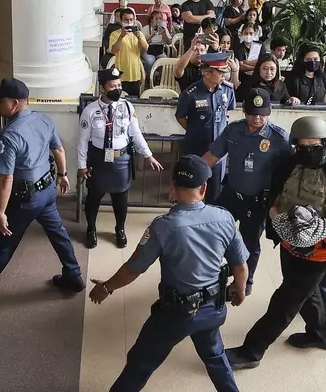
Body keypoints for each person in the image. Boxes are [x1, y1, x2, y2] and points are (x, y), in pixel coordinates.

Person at [89, 154, 250, 392]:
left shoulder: (163, 226)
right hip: (213, 310)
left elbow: (133, 269)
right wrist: (240, 289)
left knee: (140, 362)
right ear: (204, 187)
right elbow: (241, 266)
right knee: (215, 358)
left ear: (172, 186)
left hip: (176, 315)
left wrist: (106, 287)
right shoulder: (224, 218)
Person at [225, 116, 326, 369]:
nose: (308, 152)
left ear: (325, 143)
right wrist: (281, 222)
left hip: (319, 252)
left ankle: (252, 350)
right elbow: (274, 202)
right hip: (289, 245)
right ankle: (322, 335)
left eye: (314, 147)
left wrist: (319, 228)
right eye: (302, 147)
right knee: (307, 294)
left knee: (285, 301)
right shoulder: (288, 166)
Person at [0, 78, 85, 297]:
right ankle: (73, 274)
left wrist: (1, 212)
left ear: (13, 103)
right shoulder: (44, 120)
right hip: (47, 191)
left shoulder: (9, 135)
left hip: (25, 199)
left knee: (5, 243)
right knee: (59, 233)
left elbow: (6, 179)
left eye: (1, 101)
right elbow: (59, 150)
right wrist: (63, 175)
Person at [202, 88, 291, 297]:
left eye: (262, 112)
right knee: (214, 231)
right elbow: (210, 158)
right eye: (253, 112)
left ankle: (245, 281)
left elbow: (289, 173)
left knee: (250, 242)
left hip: (258, 201)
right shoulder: (233, 131)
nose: (258, 117)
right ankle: (211, 273)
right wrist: (190, 179)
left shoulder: (279, 138)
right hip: (231, 195)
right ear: (244, 111)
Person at [78, 67, 164, 249]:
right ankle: (91, 229)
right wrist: (81, 165)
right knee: (94, 197)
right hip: (98, 160)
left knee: (120, 197)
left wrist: (148, 155)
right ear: (102, 88)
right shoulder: (91, 111)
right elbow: (83, 141)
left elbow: (135, 133)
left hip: (121, 160)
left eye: (119, 85)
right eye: (112, 86)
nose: (117, 89)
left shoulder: (127, 107)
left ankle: (120, 229)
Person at [174, 52, 237, 204]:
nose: (224, 75)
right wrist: (194, 130)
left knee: (214, 191)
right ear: (207, 73)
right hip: (196, 148)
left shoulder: (227, 90)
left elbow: (228, 110)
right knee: (192, 191)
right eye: (220, 72)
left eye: (224, 72)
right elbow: (180, 116)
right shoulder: (191, 93)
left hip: (218, 151)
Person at [109, 9, 149, 97]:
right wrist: (121, 36)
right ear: (121, 20)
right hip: (121, 74)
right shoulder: (115, 34)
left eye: (131, 19)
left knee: (134, 101)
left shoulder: (139, 34)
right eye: (126, 20)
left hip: (135, 74)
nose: (129, 22)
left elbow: (145, 48)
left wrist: (140, 38)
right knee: (120, 100)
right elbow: (114, 50)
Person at [235, 23, 266, 101]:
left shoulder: (260, 45)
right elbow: (241, 66)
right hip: (244, 80)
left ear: (254, 34)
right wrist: (257, 66)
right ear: (242, 33)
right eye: (246, 33)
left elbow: (262, 61)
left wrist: (246, 62)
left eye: (251, 33)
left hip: (257, 79)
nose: (248, 35)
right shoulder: (239, 47)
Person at [142, 10, 172, 76]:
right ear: (151, 20)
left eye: (160, 19)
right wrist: (154, 33)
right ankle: (149, 76)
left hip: (159, 50)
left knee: (165, 61)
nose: (158, 21)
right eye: (156, 19)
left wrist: (164, 34)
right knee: (150, 61)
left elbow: (169, 42)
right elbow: (143, 42)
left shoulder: (163, 28)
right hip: (148, 50)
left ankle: (161, 77)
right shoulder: (146, 28)